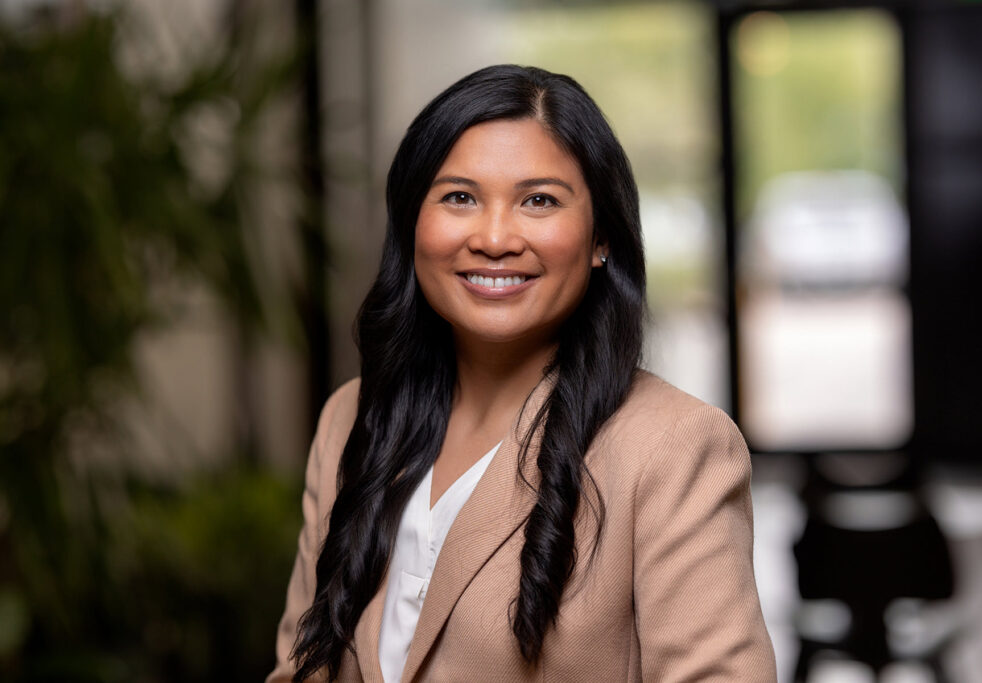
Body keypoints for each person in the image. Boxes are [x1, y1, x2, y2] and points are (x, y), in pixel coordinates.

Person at [267, 64, 776, 683]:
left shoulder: (672, 448)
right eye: (460, 197)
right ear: (410, 224)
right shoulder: (352, 417)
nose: (496, 236)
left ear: (601, 239)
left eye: (539, 200)